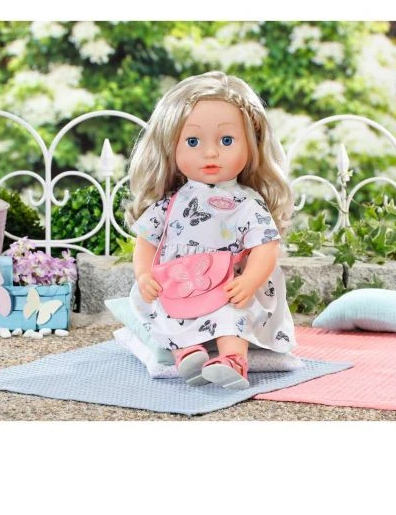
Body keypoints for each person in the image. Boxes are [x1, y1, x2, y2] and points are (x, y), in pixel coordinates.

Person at [125, 71, 296, 389]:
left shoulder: (248, 202)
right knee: (167, 310)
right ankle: (187, 353)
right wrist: (144, 274)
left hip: (230, 283)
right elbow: (145, 241)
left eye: (227, 141)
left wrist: (250, 280)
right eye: (193, 142)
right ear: (171, 147)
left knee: (233, 313)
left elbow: (265, 246)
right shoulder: (171, 201)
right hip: (179, 281)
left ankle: (232, 360)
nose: (210, 153)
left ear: (252, 144)